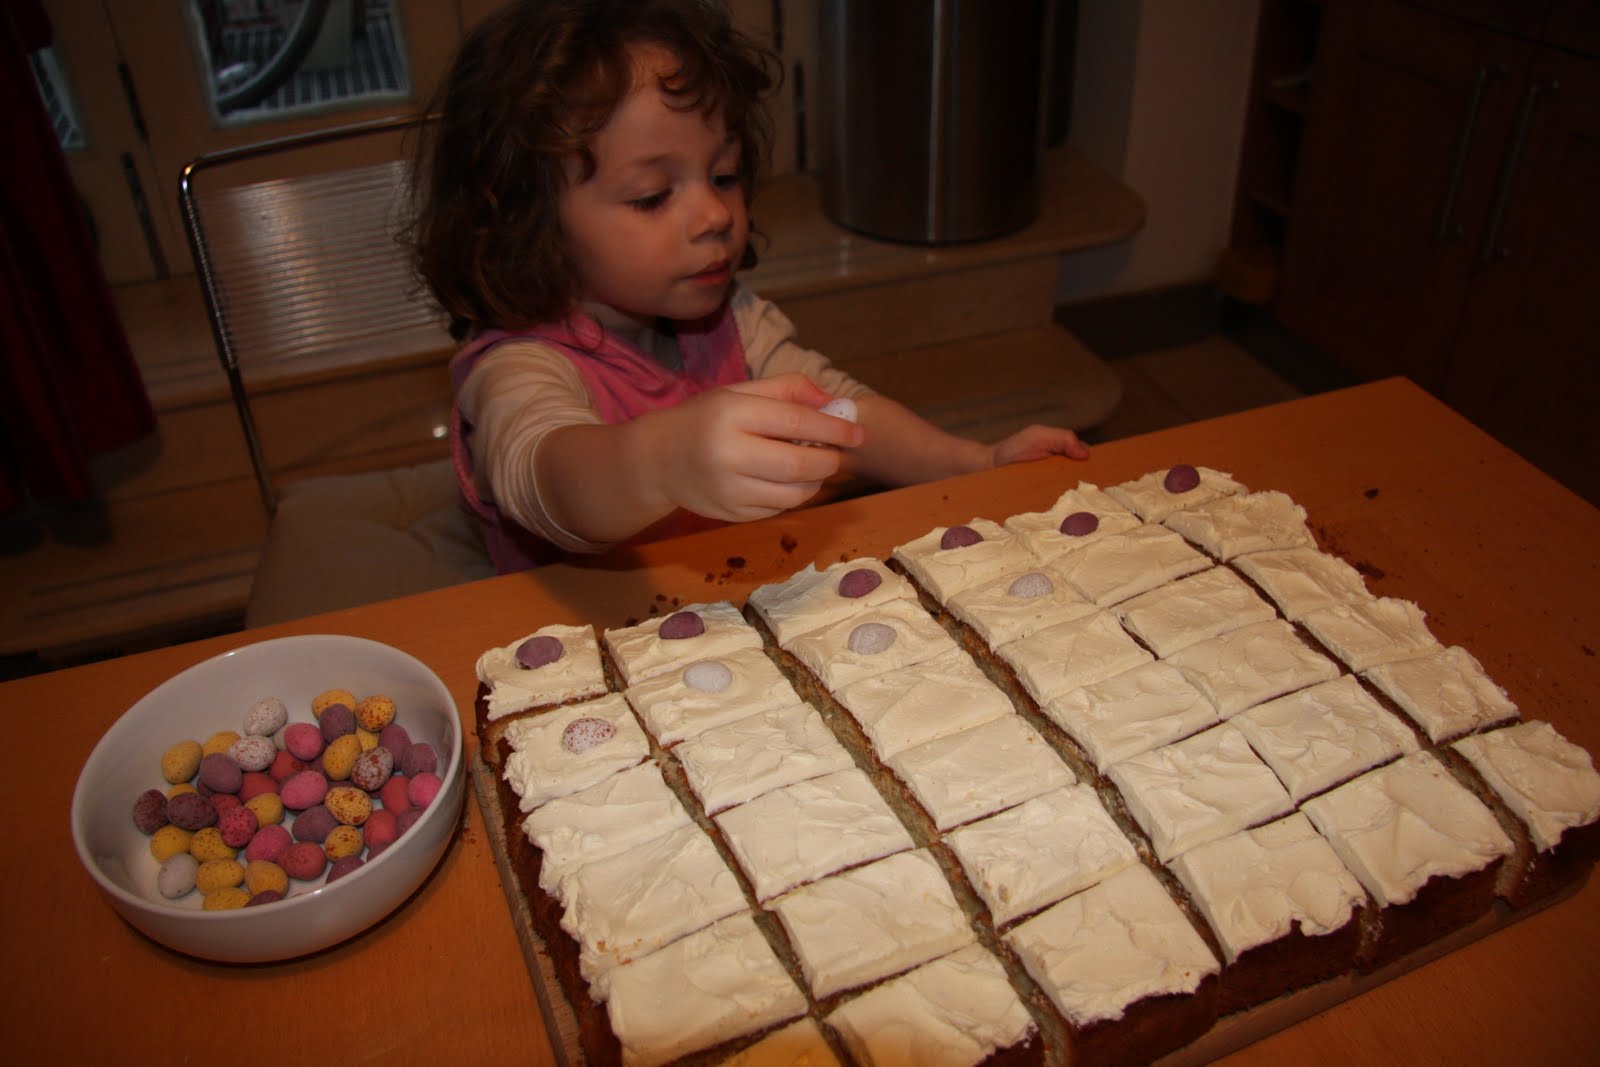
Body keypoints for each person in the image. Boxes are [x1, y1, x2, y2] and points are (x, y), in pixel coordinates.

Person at [412, 0, 1089, 573]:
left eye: (725, 175)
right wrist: (663, 461)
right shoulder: (516, 367)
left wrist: (973, 461)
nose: (715, 215)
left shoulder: (732, 320)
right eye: (652, 196)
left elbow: (846, 414)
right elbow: (548, 481)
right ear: (527, 220)